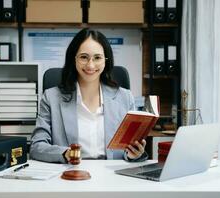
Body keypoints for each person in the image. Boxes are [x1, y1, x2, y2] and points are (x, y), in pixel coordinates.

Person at [30, 28, 148, 163]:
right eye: (84, 57)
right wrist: (65, 153)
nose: (90, 65)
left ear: (105, 60)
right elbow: (36, 147)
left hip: (112, 178)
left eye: (97, 57)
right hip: (69, 176)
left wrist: (134, 154)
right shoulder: (51, 98)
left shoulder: (125, 98)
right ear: (73, 59)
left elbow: (129, 149)